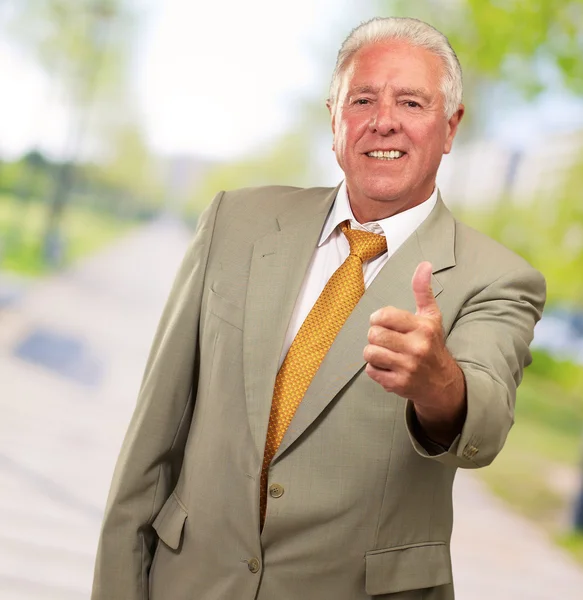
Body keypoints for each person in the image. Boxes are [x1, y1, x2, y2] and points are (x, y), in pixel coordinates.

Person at [91, 16, 546, 600]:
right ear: (333, 117)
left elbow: (484, 419)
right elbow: (153, 437)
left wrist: (439, 384)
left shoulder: (499, 279)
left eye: (411, 101)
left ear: (450, 125)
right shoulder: (235, 221)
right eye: (362, 99)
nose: (384, 120)